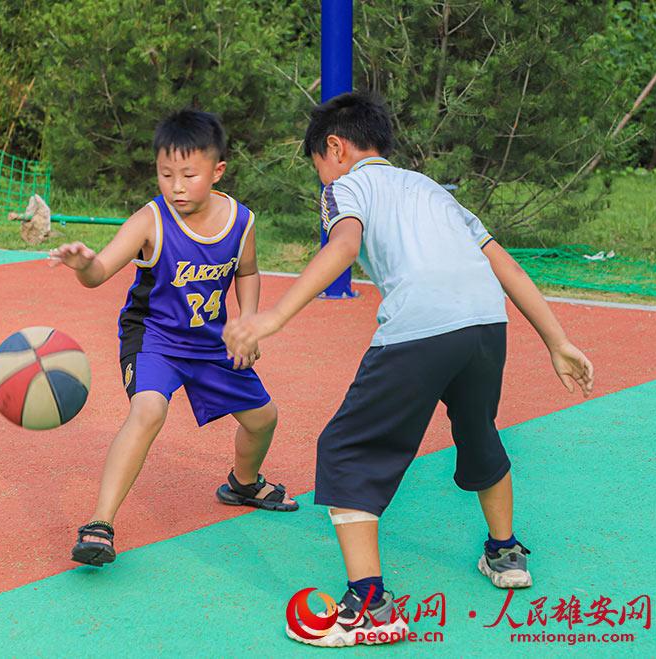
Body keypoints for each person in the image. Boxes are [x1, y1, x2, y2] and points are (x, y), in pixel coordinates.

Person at [223, 92, 594, 647]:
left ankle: (368, 604)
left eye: (318, 164)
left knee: (346, 449)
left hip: (420, 327)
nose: (321, 176)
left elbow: (345, 245)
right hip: (486, 326)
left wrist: (273, 316)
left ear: (335, 147)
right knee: (477, 430)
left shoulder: (344, 187)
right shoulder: (431, 189)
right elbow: (502, 263)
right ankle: (505, 552)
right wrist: (556, 340)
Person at [49, 109, 297, 568]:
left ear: (217, 170)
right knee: (148, 410)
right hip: (154, 337)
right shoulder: (150, 221)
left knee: (264, 418)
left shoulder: (241, 222)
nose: (176, 186)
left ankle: (243, 483)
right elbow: (100, 271)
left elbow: (248, 271)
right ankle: (99, 525)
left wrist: (249, 323)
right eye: (166, 174)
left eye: (188, 174)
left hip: (210, 342)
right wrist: (84, 263)